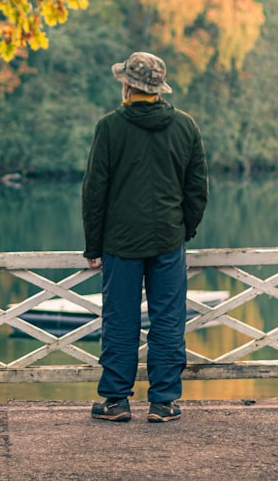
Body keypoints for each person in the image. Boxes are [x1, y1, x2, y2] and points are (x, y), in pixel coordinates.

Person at [82, 51, 208, 423]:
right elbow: (197, 189)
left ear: (127, 86)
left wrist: (93, 245)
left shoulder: (109, 127)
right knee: (168, 319)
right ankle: (164, 402)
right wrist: (183, 230)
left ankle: (116, 402)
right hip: (168, 240)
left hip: (120, 243)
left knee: (120, 320)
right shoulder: (186, 126)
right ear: (157, 89)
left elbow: (94, 191)